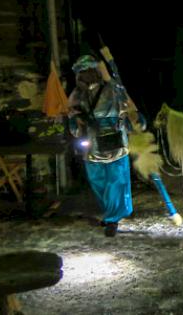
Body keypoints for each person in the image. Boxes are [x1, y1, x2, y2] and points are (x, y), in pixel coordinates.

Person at [68, 55, 136, 237]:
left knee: (116, 182)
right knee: (98, 182)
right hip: (91, 146)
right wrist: (77, 123)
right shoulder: (76, 95)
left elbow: (128, 110)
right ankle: (110, 213)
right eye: (81, 74)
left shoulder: (113, 89)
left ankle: (113, 218)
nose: (84, 76)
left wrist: (131, 123)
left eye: (87, 72)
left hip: (114, 143)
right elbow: (72, 118)